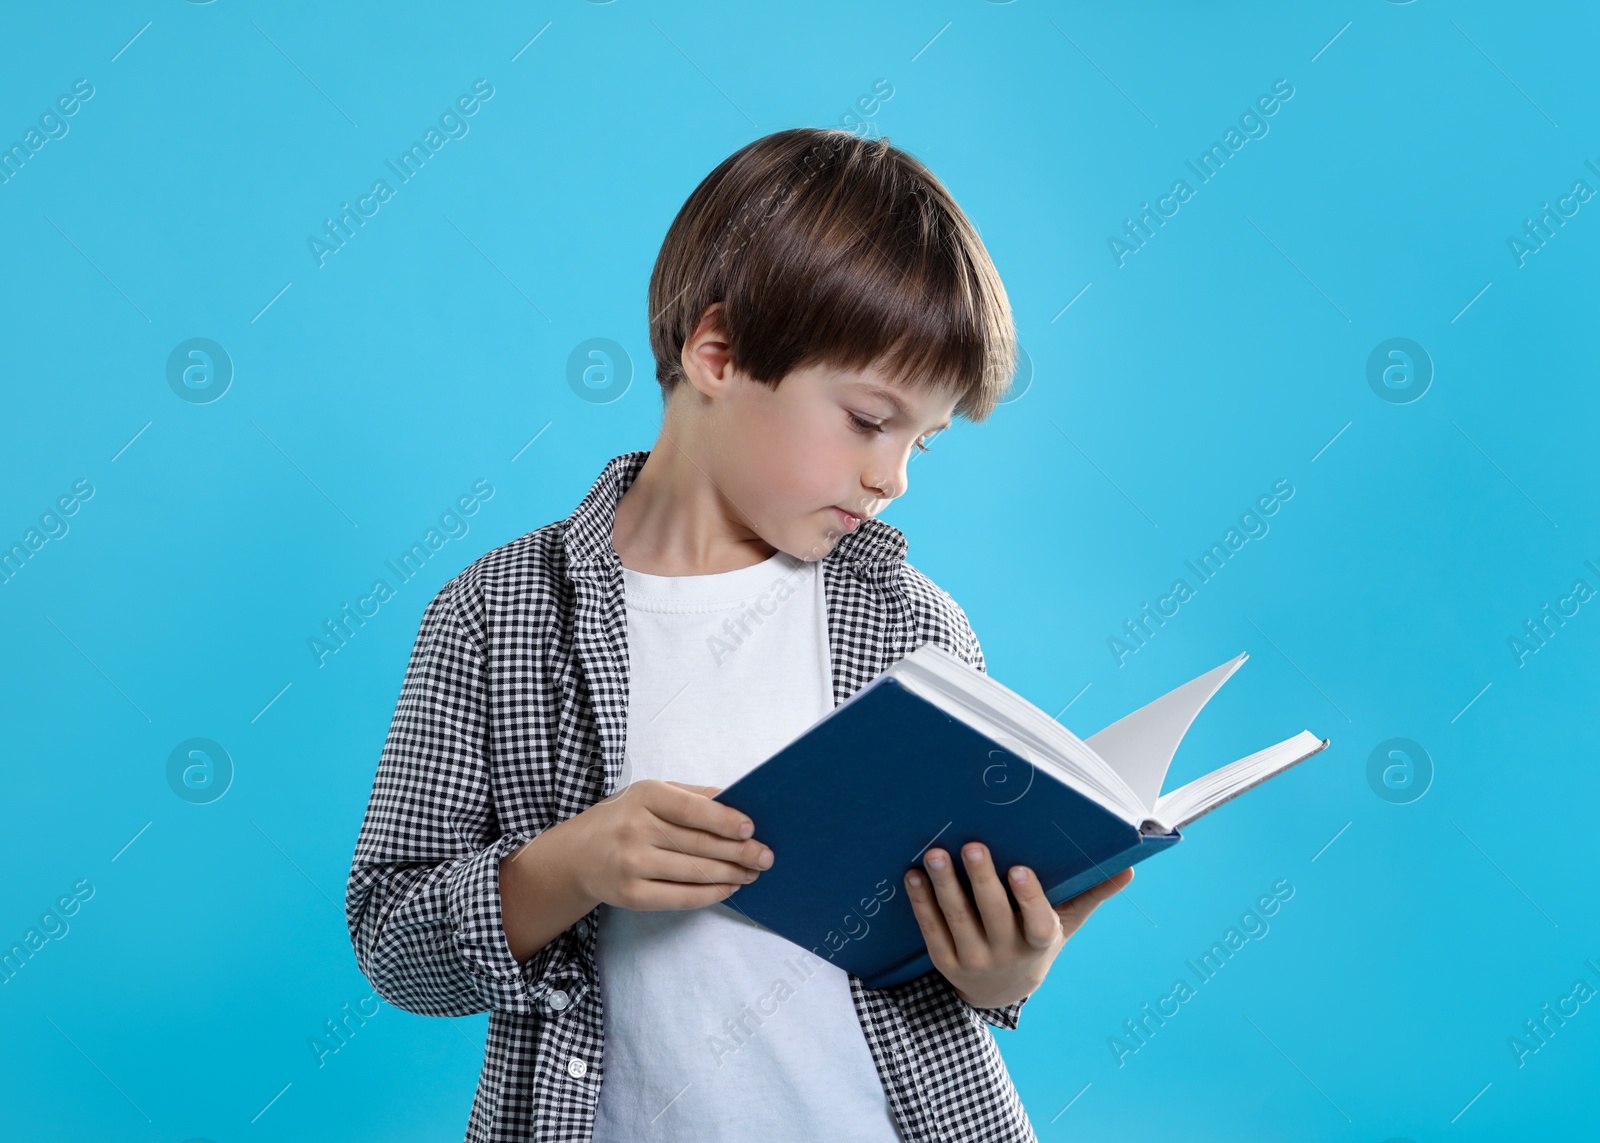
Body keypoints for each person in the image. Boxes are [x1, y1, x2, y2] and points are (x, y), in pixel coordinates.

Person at [345, 126, 1131, 1143]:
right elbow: (393, 945)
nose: (892, 478)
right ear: (715, 353)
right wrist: (567, 867)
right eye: (865, 420)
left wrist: (1001, 971)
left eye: (921, 442)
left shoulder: (913, 626)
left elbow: (953, 960)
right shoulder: (495, 615)